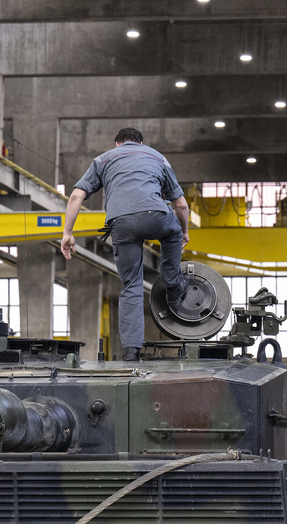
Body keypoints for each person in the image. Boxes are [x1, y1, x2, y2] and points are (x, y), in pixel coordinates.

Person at [60, 128, 190, 362]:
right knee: (172, 234)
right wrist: (184, 232)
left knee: (130, 285)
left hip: (121, 223)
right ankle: (173, 285)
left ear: (117, 143)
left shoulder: (103, 159)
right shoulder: (157, 156)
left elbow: (76, 196)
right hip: (155, 215)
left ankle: (131, 351)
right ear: (141, 142)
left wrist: (67, 233)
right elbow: (180, 204)